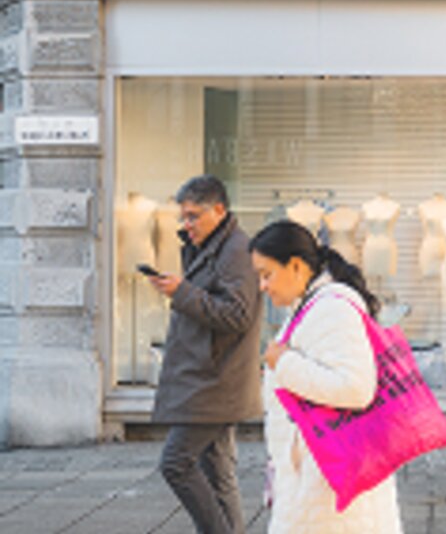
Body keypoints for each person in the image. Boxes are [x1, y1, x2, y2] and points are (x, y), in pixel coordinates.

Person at [249, 220, 403, 533]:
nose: (262, 286)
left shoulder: (332, 307)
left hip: (328, 487)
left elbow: (356, 387)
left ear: (295, 266)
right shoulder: (310, 305)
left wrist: (284, 362)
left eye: (267, 275)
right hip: (317, 481)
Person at [145, 175, 263, 534]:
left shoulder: (236, 251)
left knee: (176, 464)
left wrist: (182, 292)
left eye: (194, 216)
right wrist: (182, 289)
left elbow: (237, 315)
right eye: (183, 217)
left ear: (220, 210)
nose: (187, 224)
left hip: (214, 381)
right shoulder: (213, 246)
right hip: (210, 377)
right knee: (219, 472)